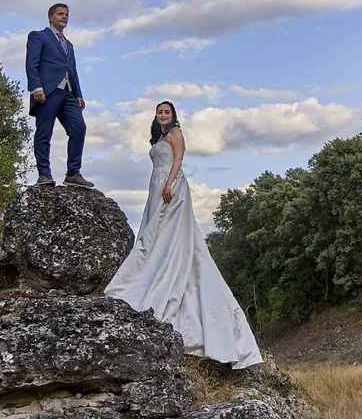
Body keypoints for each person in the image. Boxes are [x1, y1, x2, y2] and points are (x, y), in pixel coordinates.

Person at [104, 101, 262, 369]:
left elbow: (178, 159)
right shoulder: (160, 136)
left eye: (167, 111)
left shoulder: (175, 133)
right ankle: (152, 274)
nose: (163, 115)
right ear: (156, 116)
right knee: (155, 239)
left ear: (173, 115)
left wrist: (169, 184)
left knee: (170, 240)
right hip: (156, 187)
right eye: (159, 112)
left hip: (171, 187)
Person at [25, 3, 92, 188]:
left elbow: (73, 70)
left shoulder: (69, 45)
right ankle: (44, 174)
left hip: (69, 93)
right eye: (61, 14)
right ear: (51, 17)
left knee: (79, 128)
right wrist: (36, 88)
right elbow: (32, 63)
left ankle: (73, 173)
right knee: (44, 132)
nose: (65, 17)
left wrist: (78, 94)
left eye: (67, 15)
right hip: (47, 92)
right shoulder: (39, 36)